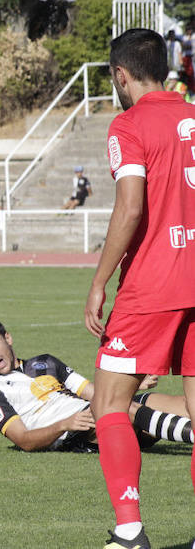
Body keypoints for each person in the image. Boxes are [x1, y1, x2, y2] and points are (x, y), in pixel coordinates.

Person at [84, 28, 195, 549]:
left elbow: (130, 207)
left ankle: (129, 532)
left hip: (153, 285)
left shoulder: (128, 124)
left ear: (120, 75)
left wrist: (100, 281)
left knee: (108, 403)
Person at [0, 317, 193, 453]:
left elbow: (95, 393)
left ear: (8, 338)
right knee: (120, 408)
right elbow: (24, 440)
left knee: (176, 403)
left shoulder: (45, 362)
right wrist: (64, 424)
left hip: (94, 410)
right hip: (78, 430)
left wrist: (132, 384)